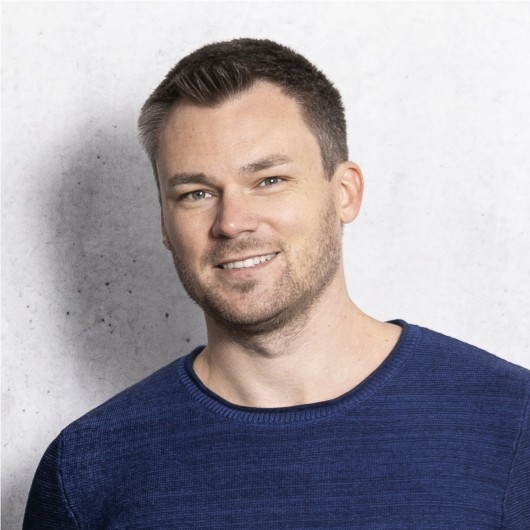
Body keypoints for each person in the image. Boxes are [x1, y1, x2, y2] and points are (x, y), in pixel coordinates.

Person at [24, 38, 529, 529]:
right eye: (196, 193)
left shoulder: (511, 422)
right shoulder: (88, 469)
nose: (232, 222)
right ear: (164, 223)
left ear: (345, 192)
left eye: (269, 180)